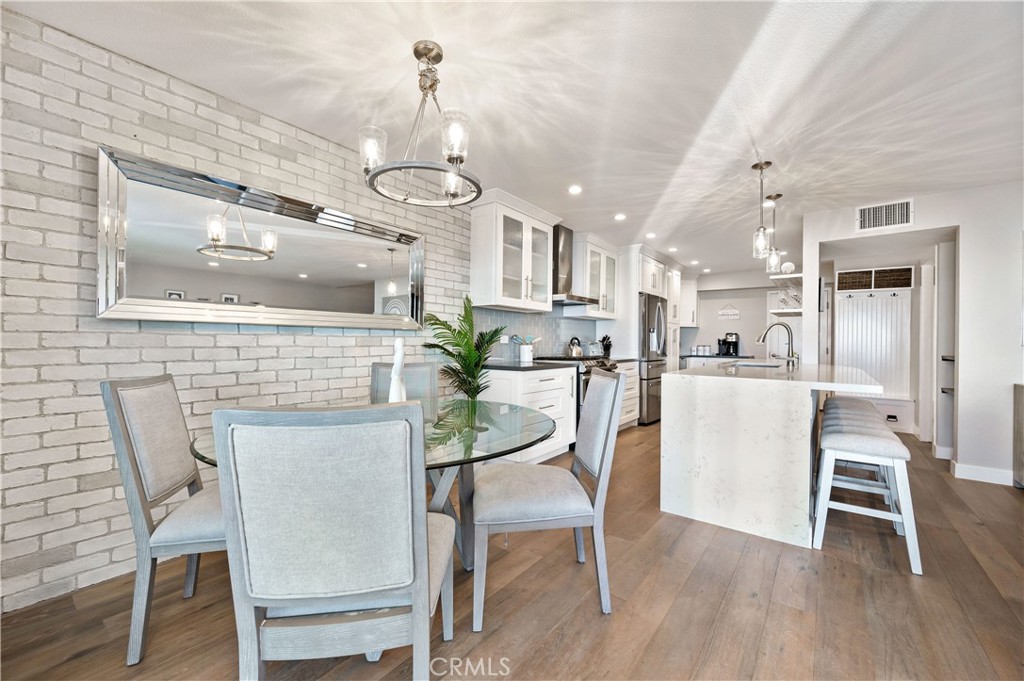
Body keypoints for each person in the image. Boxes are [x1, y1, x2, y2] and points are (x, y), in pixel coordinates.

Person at [389, 337, 407, 402]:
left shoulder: (400, 351)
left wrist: (397, 375)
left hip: (397, 380)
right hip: (396, 380)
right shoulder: (399, 352)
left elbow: (398, 367)